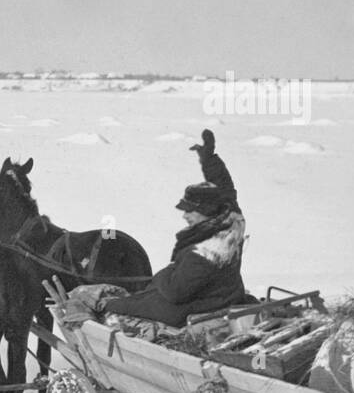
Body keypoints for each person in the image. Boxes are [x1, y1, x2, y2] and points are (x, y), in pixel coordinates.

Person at [104, 130, 248, 327]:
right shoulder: (230, 221)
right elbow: (225, 190)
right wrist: (209, 159)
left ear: (205, 211)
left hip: (202, 307)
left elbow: (175, 292)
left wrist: (162, 274)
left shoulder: (206, 252)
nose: (184, 215)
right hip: (227, 294)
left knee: (118, 305)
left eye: (190, 210)